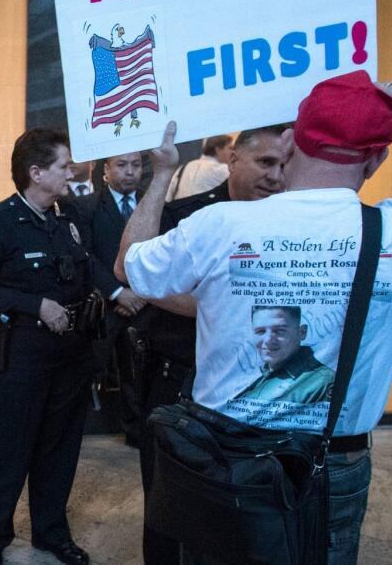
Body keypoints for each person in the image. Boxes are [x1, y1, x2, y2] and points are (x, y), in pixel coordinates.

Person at [115, 70, 392, 564]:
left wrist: (163, 174)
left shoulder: (221, 224)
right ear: (379, 157)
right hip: (332, 462)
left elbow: (130, 263)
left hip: (221, 456)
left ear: (291, 141)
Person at [128, 123, 289, 565]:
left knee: (244, 511)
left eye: (284, 164)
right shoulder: (187, 216)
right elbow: (138, 276)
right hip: (179, 384)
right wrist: (226, 307)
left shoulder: (292, 223)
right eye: (265, 162)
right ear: (232, 158)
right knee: (166, 505)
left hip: (257, 393)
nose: (276, 176)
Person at [0, 128, 95, 565]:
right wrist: (34, 305)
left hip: (69, 356)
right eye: (63, 165)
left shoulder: (67, 218)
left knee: (59, 449)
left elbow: (87, 268)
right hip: (17, 358)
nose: (70, 172)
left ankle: (51, 533)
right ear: (36, 173)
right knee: (9, 448)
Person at [71, 151, 148, 445]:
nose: (129, 172)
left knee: (137, 373)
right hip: (104, 304)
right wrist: (118, 293)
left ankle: (137, 434)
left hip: (143, 304)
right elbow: (85, 256)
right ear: (106, 169)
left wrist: (139, 295)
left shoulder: (152, 205)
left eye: (136, 165)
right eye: (122, 165)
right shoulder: (86, 207)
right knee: (89, 368)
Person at [234, 305, 333, 403]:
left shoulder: (324, 382)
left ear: (302, 333)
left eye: (280, 331)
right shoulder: (258, 377)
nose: (268, 340)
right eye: (260, 331)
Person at [164, 134, 233, 201]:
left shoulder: (182, 168)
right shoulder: (222, 169)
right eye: (230, 148)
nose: (233, 152)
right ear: (218, 150)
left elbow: (167, 197)